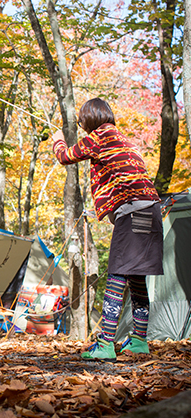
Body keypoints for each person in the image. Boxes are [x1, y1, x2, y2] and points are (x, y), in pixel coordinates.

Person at [52, 98, 163, 360]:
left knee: (117, 273)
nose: (81, 123)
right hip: (151, 210)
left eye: (82, 119)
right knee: (135, 276)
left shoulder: (99, 137)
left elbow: (65, 157)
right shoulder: (124, 140)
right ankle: (138, 341)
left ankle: (105, 345)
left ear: (90, 119)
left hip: (133, 212)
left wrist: (58, 139)